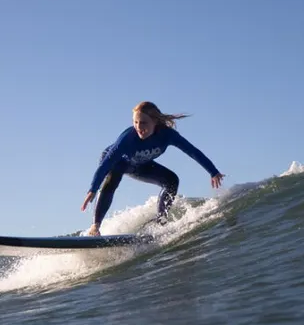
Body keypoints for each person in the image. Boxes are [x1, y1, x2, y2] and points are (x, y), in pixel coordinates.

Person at [80, 101, 225, 236]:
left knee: (172, 180)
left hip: (141, 165)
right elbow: (106, 163)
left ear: (155, 121)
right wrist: (93, 188)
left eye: (143, 123)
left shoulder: (167, 135)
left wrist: (213, 172)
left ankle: (160, 221)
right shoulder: (127, 139)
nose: (138, 127)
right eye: (135, 122)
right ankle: (95, 227)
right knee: (112, 181)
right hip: (118, 162)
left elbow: (192, 151)